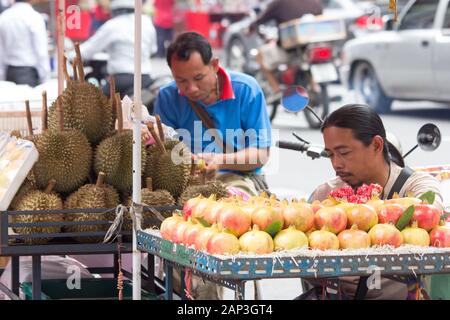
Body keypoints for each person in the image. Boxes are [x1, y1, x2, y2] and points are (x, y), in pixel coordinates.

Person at [307, 104, 443, 300]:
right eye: (330, 154)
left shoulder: (417, 186)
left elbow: (430, 213)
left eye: (344, 152)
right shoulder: (326, 194)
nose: (336, 164)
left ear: (377, 145)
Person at [154, 31, 272, 197]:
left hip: (237, 178)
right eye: (181, 81)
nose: (192, 88)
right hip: (185, 182)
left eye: (198, 78)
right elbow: (163, 153)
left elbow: (260, 155)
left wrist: (219, 161)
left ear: (214, 65)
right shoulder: (167, 96)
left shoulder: (246, 89)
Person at [70, 0, 157, 98]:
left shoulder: (113, 25)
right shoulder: (147, 22)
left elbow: (88, 50)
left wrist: (69, 55)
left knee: (93, 105)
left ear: (115, 10)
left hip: (121, 81)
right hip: (145, 78)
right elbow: (153, 49)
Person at [248, 0, 323, 93]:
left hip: (290, 50)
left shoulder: (278, 3)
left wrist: (250, 28)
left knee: (259, 55)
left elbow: (260, 19)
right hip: (311, 46)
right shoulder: (314, 2)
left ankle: (276, 88)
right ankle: (313, 85)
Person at [0, 0, 50, 87]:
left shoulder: (3, 17)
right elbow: (41, 52)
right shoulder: (34, 17)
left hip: (9, 73)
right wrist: (45, 78)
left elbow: (1, 51)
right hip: (29, 74)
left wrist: (2, 76)